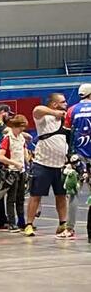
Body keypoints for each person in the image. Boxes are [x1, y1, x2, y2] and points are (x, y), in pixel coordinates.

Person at [25, 92, 72, 239]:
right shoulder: (43, 118)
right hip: (43, 164)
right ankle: (29, 224)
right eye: (63, 102)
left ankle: (62, 223)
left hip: (61, 165)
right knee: (36, 195)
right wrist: (55, 113)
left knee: (61, 196)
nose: (66, 104)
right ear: (54, 104)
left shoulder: (65, 119)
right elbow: (37, 109)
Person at [65, 83, 91, 242]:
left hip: (77, 157)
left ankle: (69, 229)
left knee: (73, 193)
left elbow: (67, 134)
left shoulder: (71, 110)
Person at [0, 114, 31, 231]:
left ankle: (21, 221)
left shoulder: (21, 138)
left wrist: (29, 160)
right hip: (11, 172)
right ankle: (11, 222)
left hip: (21, 171)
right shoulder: (7, 138)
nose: (23, 129)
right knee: (11, 198)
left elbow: (24, 152)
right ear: (16, 126)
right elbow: (0, 157)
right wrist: (14, 163)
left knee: (20, 198)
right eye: (22, 127)